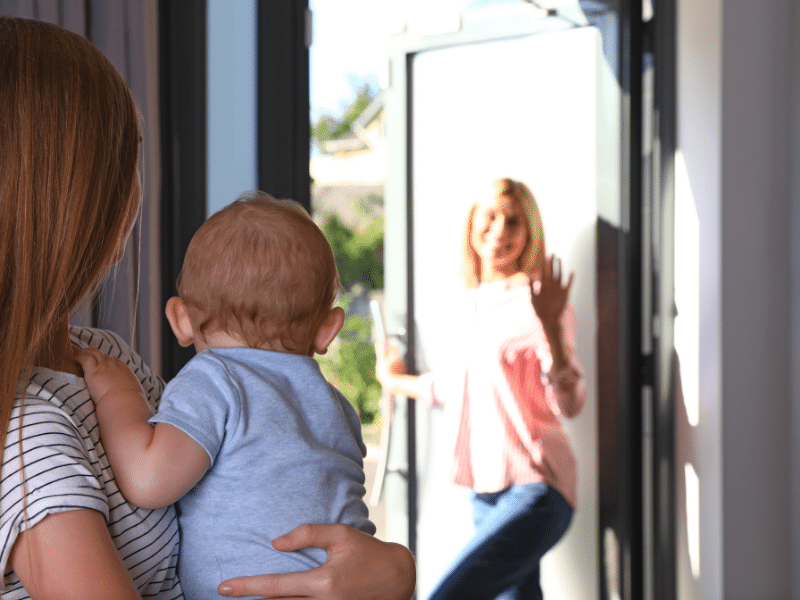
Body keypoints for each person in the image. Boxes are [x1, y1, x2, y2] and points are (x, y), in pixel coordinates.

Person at [0, 15, 414, 600]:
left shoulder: (105, 358)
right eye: (124, 169)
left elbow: (219, 473)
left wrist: (394, 570)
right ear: (73, 202)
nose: (137, 196)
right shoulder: (26, 435)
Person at [78, 192, 376, 599]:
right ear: (328, 328)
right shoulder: (337, 408)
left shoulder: (214, 378)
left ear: (181, 319)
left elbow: (148, 481)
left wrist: (119, 396)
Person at [376, 177, 586, 600]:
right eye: (491, 216)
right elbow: (461, 388)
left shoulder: (539, 301)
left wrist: (552, 328)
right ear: (473, 222)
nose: (500, 230)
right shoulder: (471, 303)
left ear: (529, 234)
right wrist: (394, 381)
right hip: (484, 489)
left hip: (537, 486)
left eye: (514, 221)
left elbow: (570, 401)